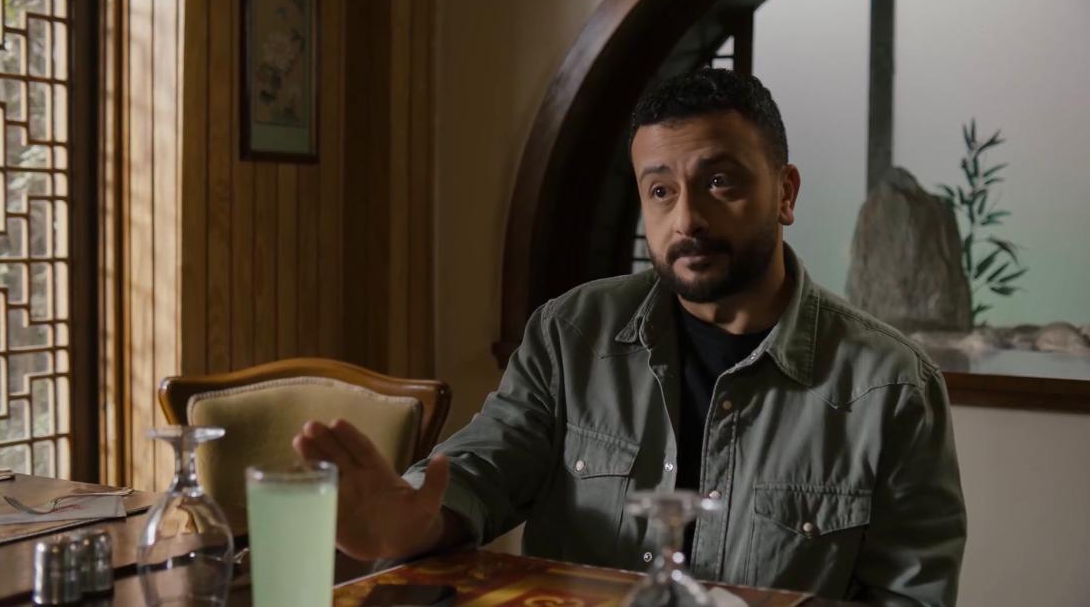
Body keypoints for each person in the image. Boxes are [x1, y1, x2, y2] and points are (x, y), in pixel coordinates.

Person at [293, 68, 966, 605]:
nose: (687, 219)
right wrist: (412, 520)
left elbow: (911, 596)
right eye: (660, 191)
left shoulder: (889, 386)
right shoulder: (571, 333)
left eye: (719, 182)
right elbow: (486, 468)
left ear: (785, 193)